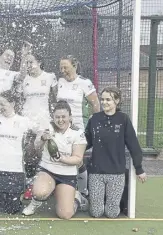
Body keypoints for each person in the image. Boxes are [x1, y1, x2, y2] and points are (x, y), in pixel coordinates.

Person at [85, 86, 147, 218]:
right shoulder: (94, 119)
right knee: (96, 213)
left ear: (117, 101)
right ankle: (89, 199)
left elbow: (133, 145)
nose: (104, 102)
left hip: (116, 173)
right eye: (102, 99)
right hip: (96, 172)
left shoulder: (123, 119)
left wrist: (139, 168)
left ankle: (115, 202)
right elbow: (86, 142)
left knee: (112, 214)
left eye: (108, 99)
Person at [22, 101, 88, 219]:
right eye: (57, 117)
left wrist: (61, 158)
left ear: (70, 117)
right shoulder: (48, 127)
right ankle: (34, 203)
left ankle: (77, 198)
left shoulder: (77, 133)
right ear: (53, 117)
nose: (60, 120)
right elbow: (36, 147)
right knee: (39, 192)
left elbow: (78, 159)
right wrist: (42, 138)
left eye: (64, 117)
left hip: (67, 174)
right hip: (48, 170)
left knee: (65, 214)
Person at [0, 90, 40, 214]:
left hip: (15, 170)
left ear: (13, 103)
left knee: (12, 210)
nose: (0, 107)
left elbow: (40, 129)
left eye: (3, 104)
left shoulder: (23, 121)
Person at [57, 55, 100, 197]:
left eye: (66, 67)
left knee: (78, 159)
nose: (63, 70)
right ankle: (63, 188)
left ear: (74, 66)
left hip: (78, 128)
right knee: (61, 157)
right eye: (61, 67)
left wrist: (95, 123)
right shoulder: (60, 82)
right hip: (61, 127)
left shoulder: (84, 83)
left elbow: (95, 104)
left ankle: (83, 191)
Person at [20, 52, 58, 199]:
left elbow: (55, 99)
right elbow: (19, 99)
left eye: (31, 62)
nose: (29, 65)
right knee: (28, 152)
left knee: (40, 150)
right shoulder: (24, 79)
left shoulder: (49, 77)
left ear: (39, 62)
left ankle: (45, 183)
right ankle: (30, 184)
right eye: (27, 62)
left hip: (43, 120)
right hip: (27, 120)